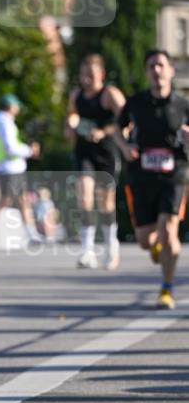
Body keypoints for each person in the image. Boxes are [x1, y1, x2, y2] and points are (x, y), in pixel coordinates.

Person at [115, 49, 189, 310]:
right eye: (151, 66)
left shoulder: (183, 106)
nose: (156, 71)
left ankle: (166, 289)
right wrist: (125, 148)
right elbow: (117, 129)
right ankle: (160, 248)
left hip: (175, 175)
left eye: (160, 65)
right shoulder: (135, 103)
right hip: (142, 177)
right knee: (146, 240)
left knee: (169, 231)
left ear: (170, 71)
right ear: (147, 73)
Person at [65, 54, 126, 270]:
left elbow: (127, 122)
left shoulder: (110, 94)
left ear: (101, 74)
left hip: (106, 153)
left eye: (91, 75)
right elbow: (69, 122)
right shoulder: (76, 96)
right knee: (84, 198)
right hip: (84, 152)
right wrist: (72, 127)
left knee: (106, 203)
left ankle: (111, 246)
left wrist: (103, 132)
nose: (87, 80)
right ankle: (87, 250)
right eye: (83, 75)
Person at [0, 94, 43, 247]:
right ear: (10, 107)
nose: (17, 109)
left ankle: (31, 234)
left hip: (7, 168)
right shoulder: (5, 123)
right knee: (12, 200)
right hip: (10, 168)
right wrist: (29, 151)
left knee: (13, 200)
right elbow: (11, 147)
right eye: (16, 106)